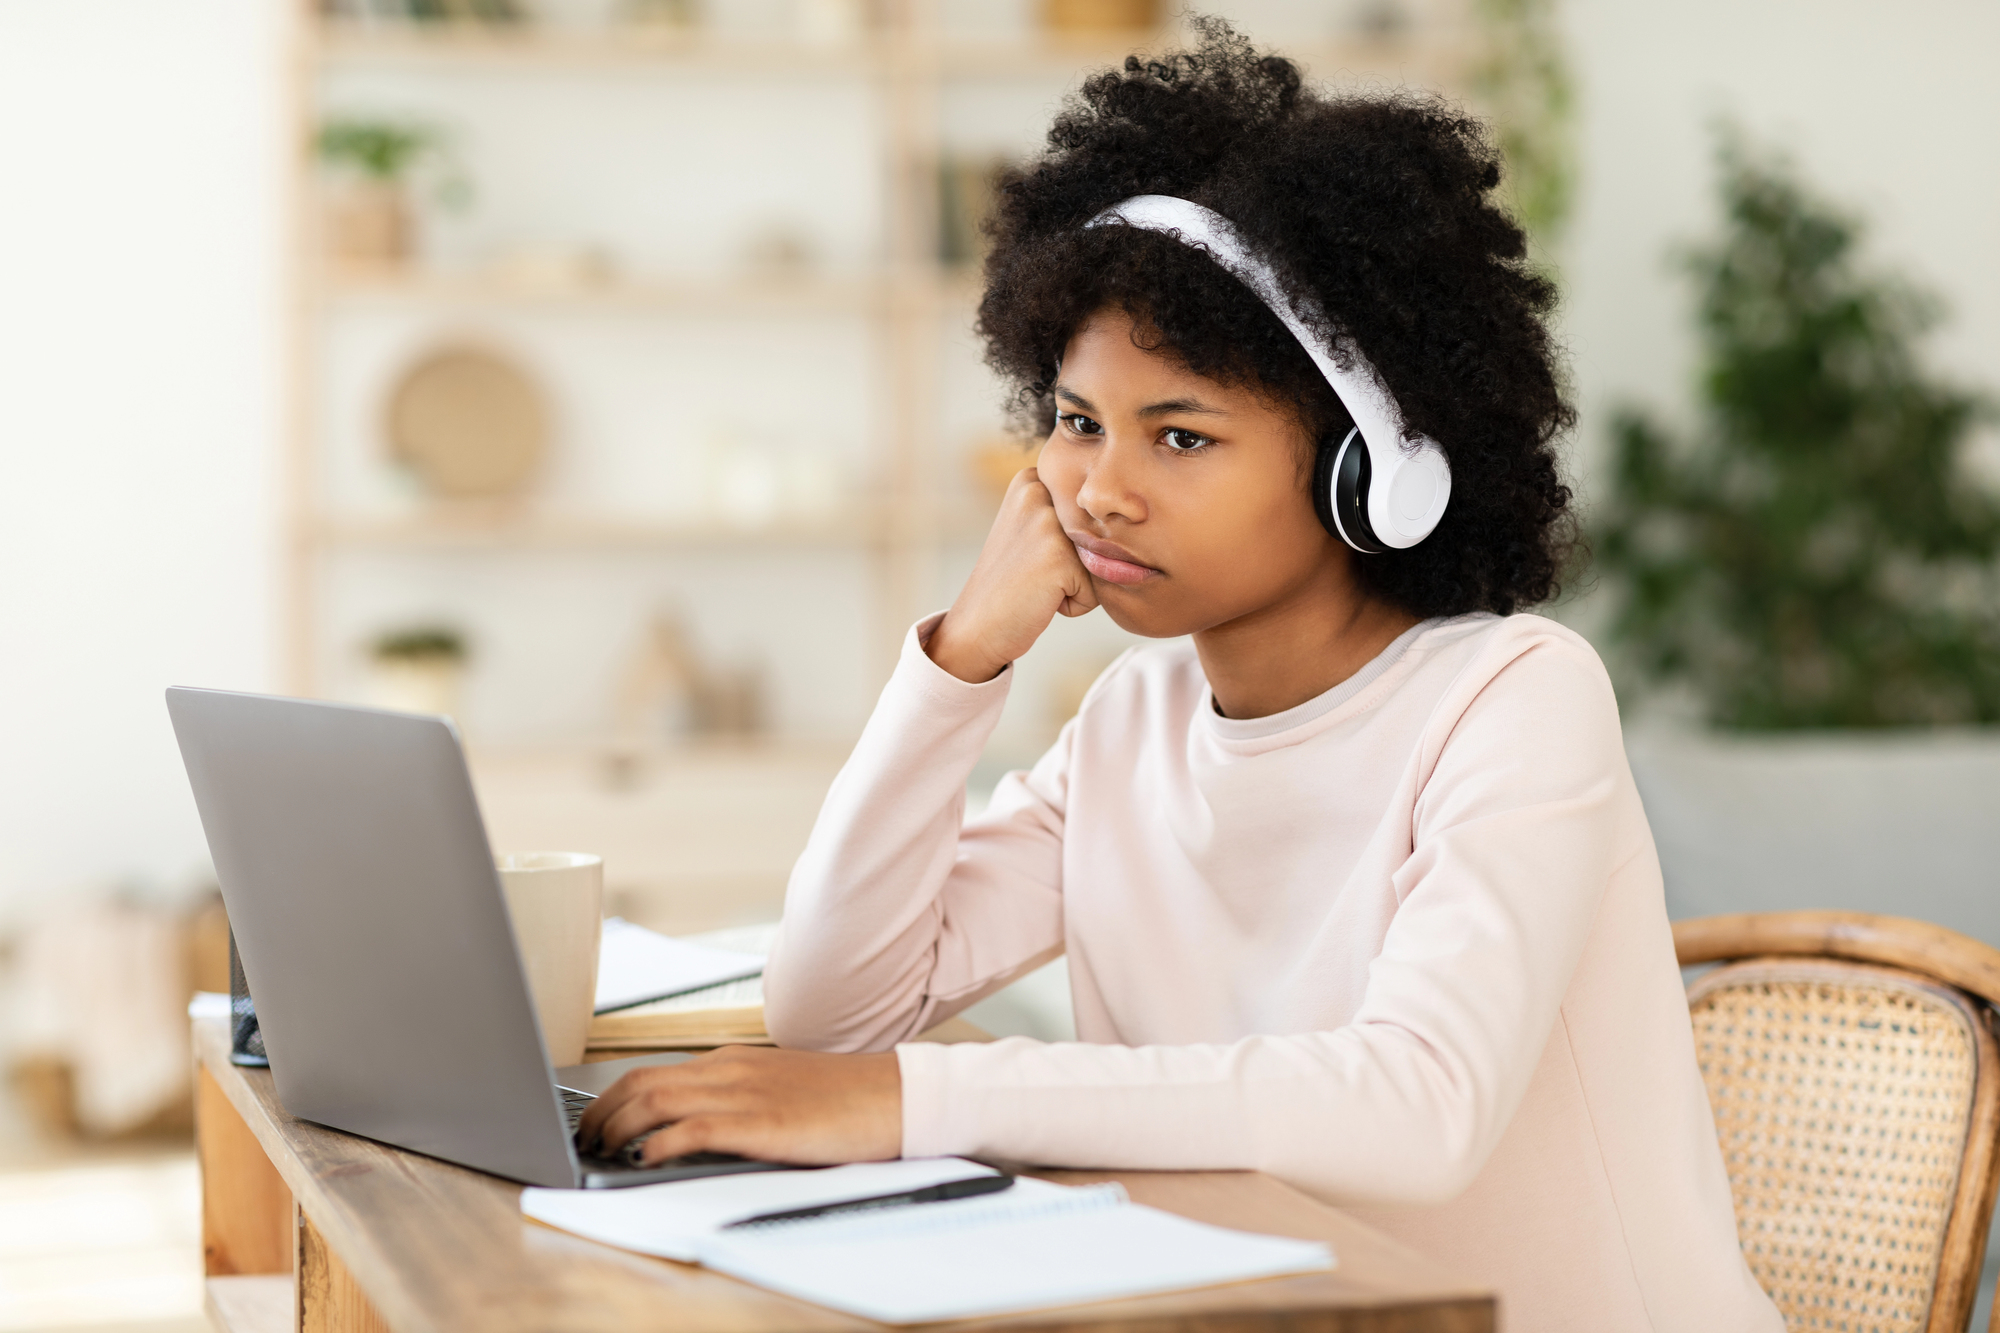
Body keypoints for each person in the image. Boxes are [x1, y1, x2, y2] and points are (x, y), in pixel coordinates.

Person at [578, 22, 1782, 1330]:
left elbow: (1417, 1104)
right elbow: (836, 1004)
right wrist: (961, 658)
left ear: (1363, 474)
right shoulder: (1131, 725)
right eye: (1080, 422)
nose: (1100, 490)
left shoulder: (1515, 695)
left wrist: (918, 1099)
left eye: (1182, 435)